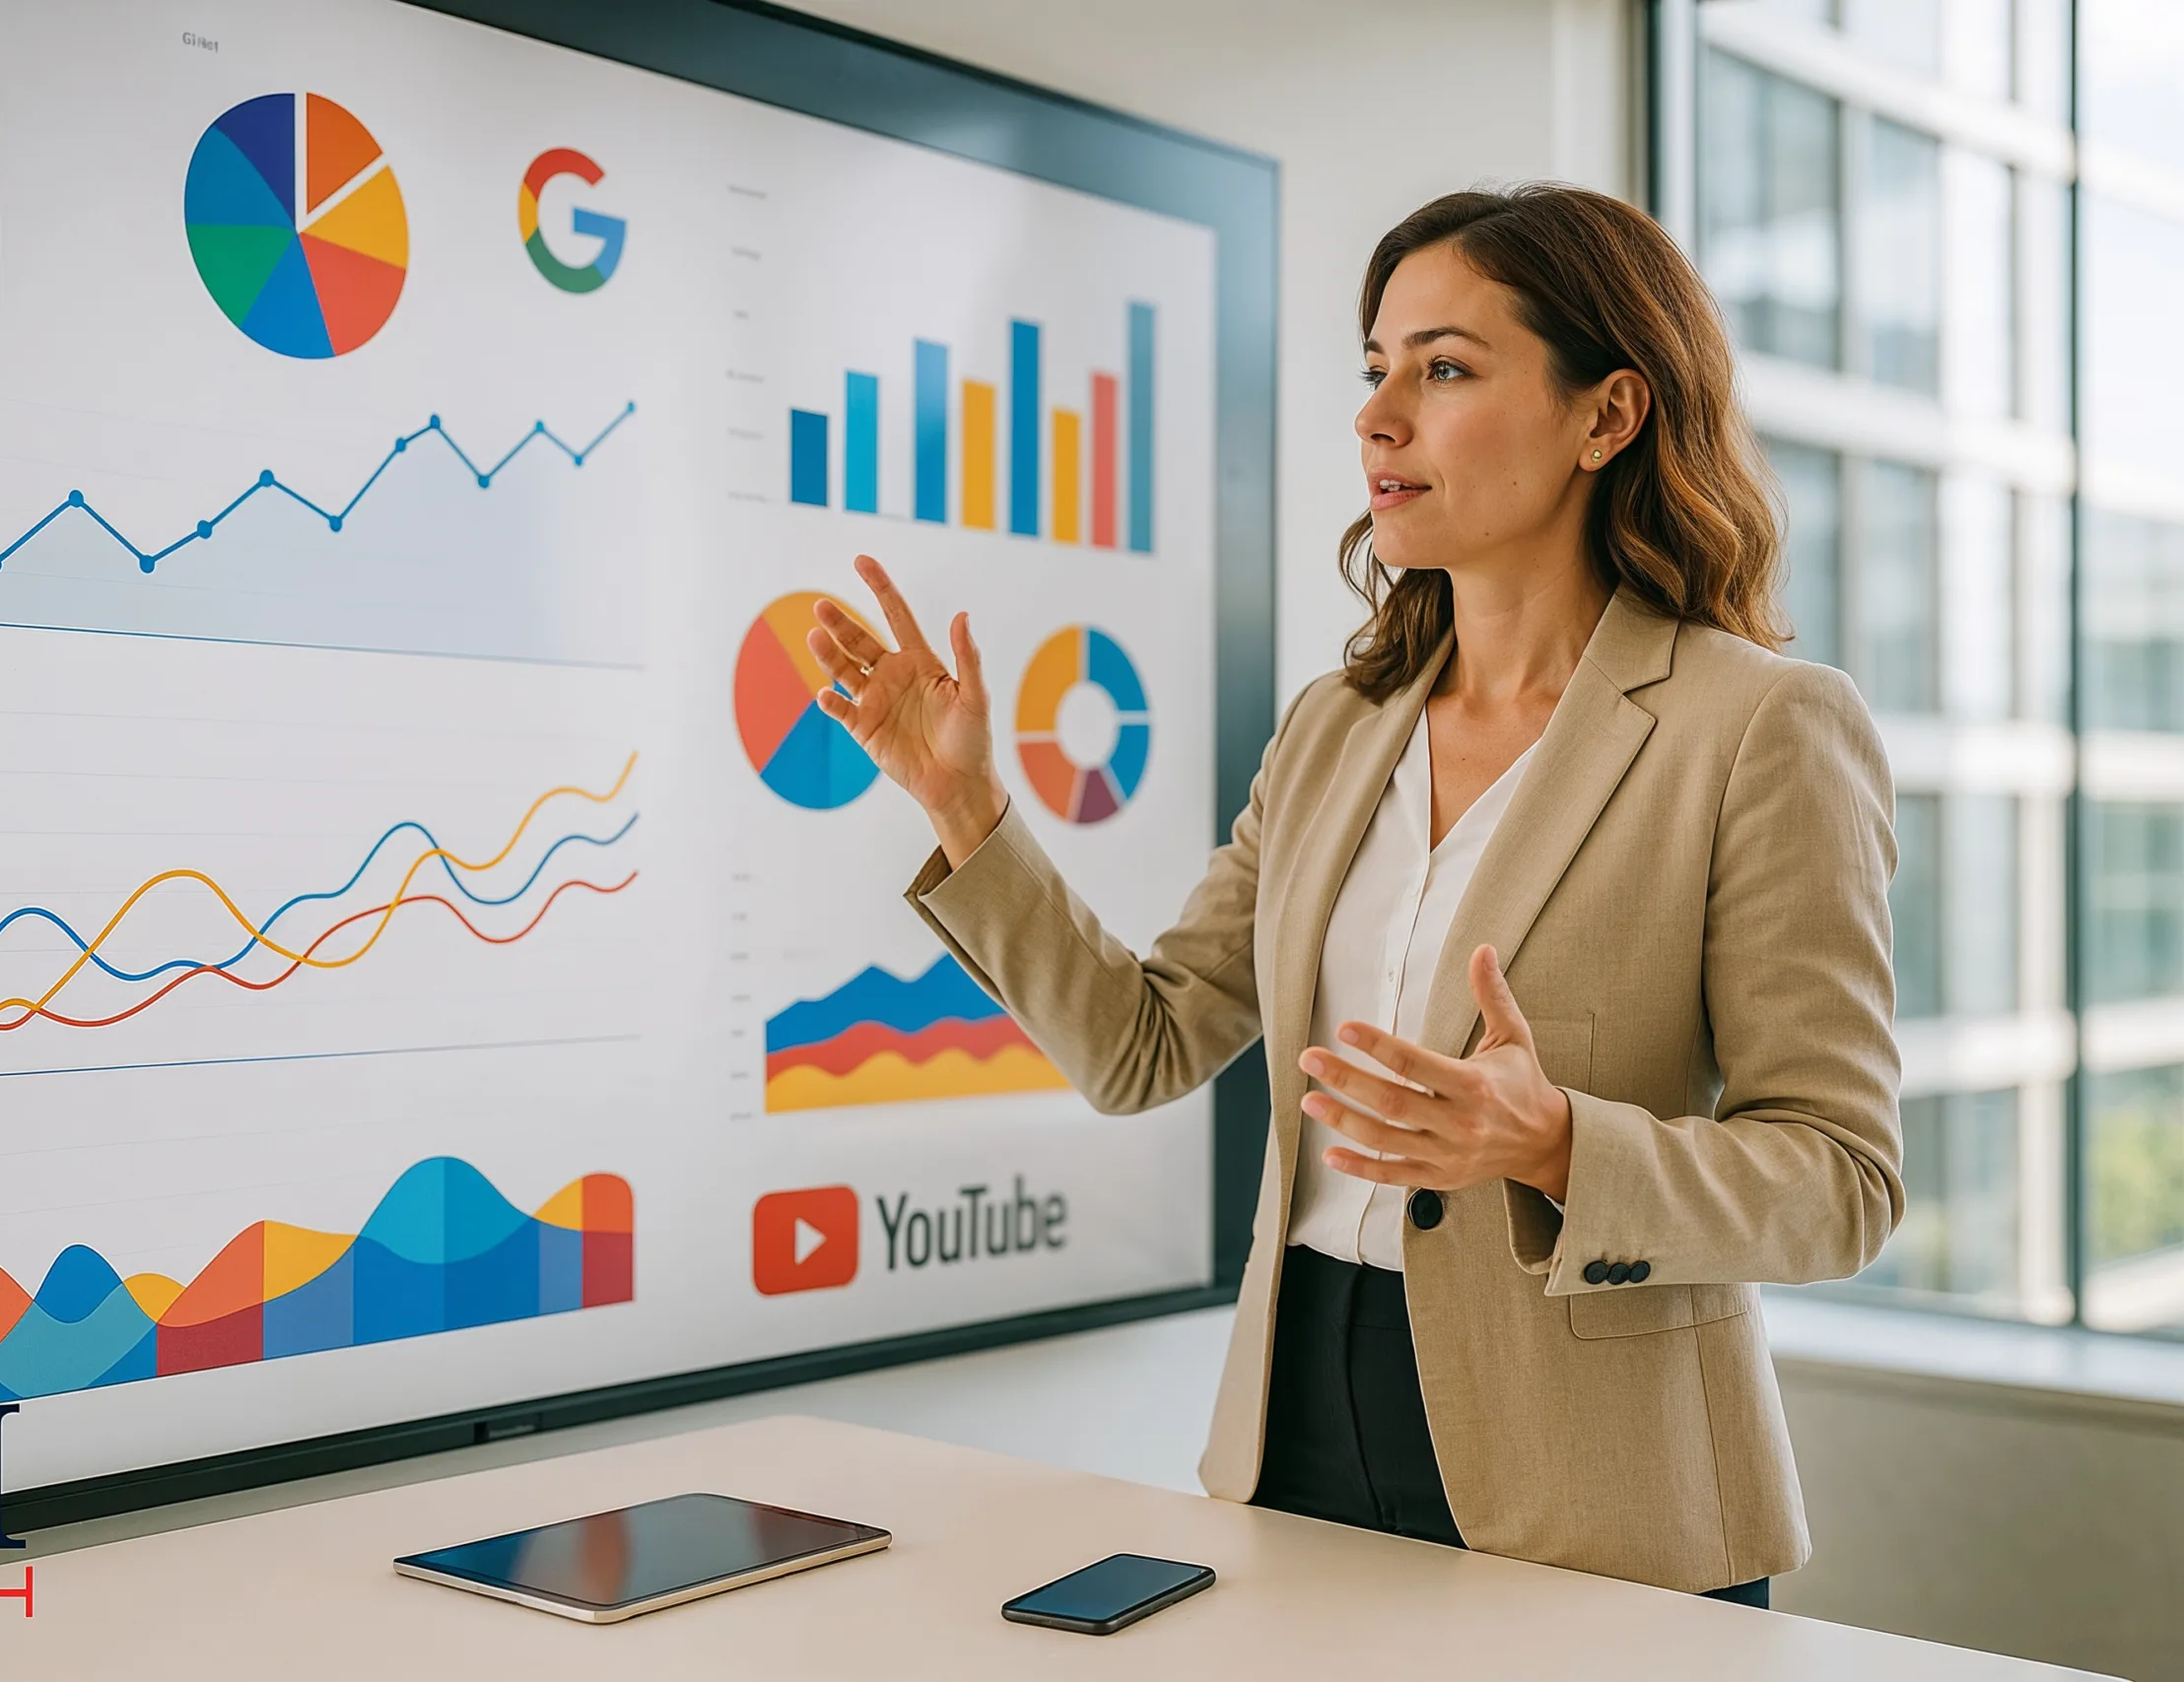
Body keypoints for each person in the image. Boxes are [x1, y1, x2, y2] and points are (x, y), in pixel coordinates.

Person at [803, 184, 1903, 1606]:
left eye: (1444, 368)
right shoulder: (1338, 722)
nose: (1381, 415)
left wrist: (1559, 1141)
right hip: (1299, 1430)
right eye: (1375, 369)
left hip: (1604, 1495)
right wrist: (963, 805)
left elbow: (1842, 1180)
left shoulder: (1758, 726)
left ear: (1606, 414)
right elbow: (1143, 1045)